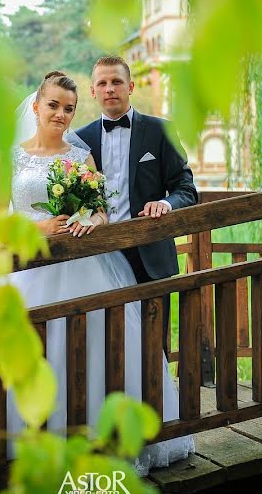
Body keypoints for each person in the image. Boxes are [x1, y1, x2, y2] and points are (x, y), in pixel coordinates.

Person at [0, 71, 194, 490]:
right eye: (53, 105)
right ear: (35, 107)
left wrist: (87, 219)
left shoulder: (80, 157)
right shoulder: (11, 157)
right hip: (25, 275)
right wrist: (40, 229)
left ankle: (92, 448)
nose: (61, 114)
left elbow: (102, 211)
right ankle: (11, 453)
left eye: (69, 108)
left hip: (84, 271)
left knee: (92, 349)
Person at [75, 56, 198, 353]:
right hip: (99, 256)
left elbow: (186, 189)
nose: (109, 89)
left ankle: (156, 400)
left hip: (150, 254)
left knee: (153, 345)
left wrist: (165, 204)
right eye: (102, 83)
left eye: (116, 82)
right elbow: (78, 202)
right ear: (93, 91)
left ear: (129, 86)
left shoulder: (160, 131)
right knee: (105, 344)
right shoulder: (80, 140)